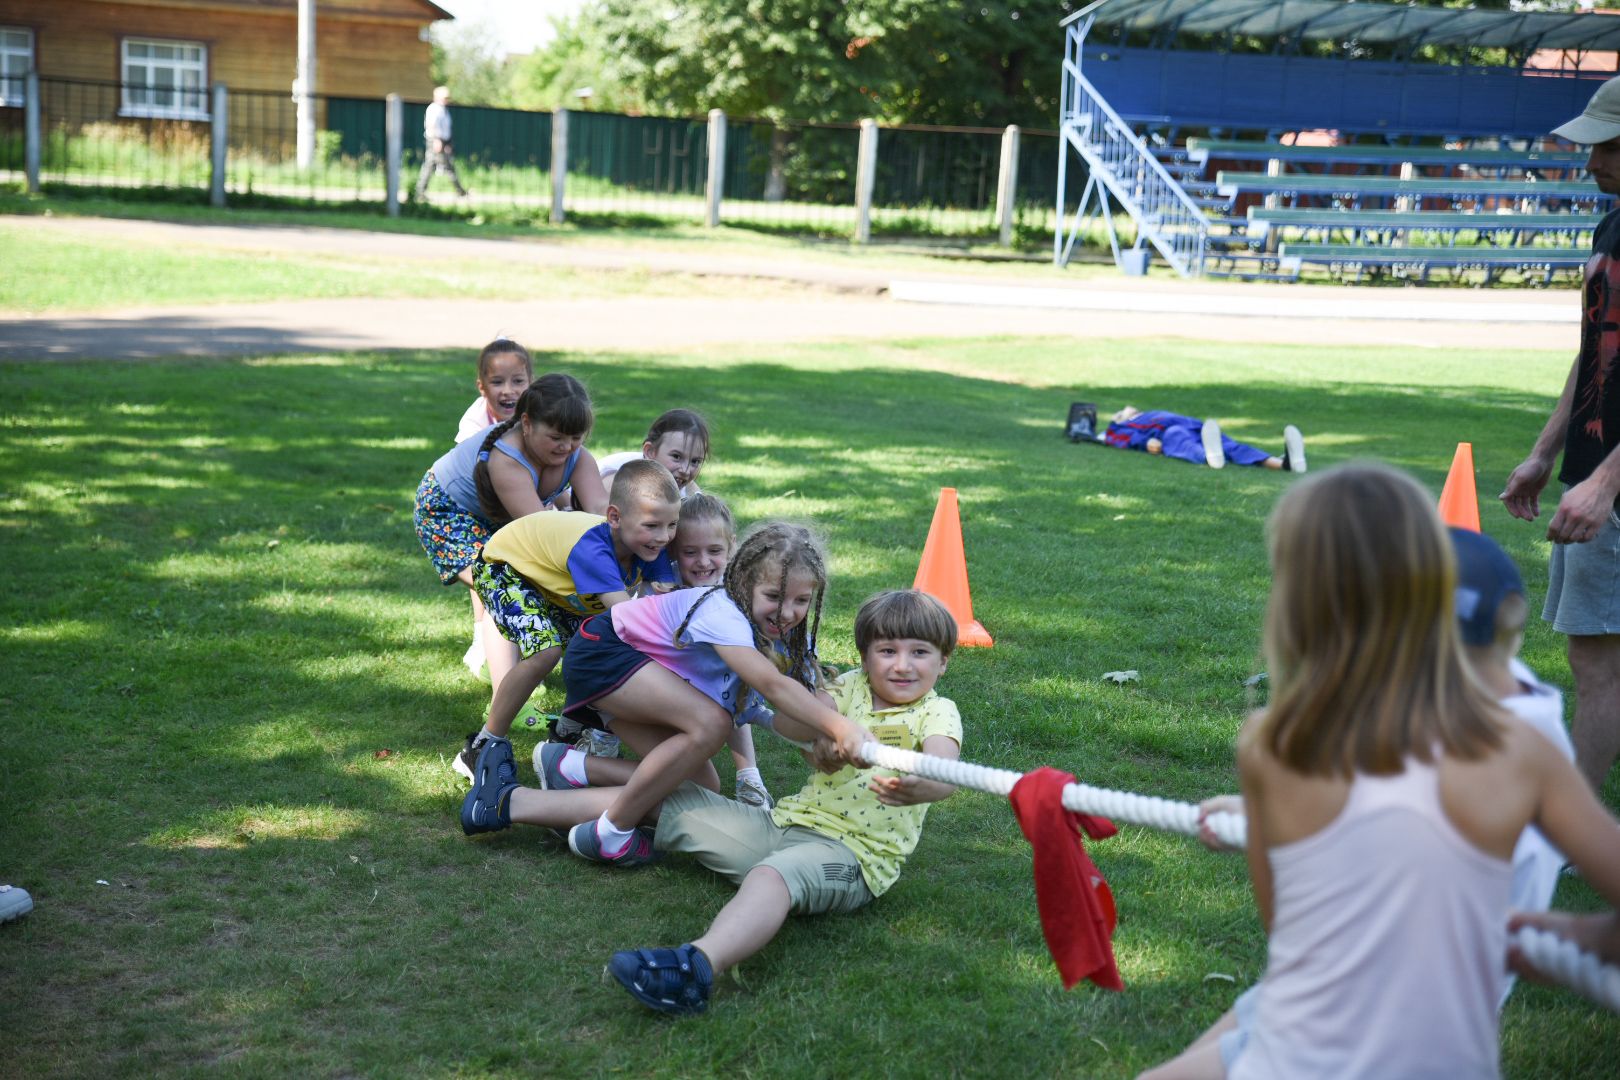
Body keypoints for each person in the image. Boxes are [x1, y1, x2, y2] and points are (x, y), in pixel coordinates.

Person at [1141, 463, 1620, 1080]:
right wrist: (1578, 936)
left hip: (1291, 1056)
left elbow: (1292, 933)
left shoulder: (1272, 743)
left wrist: (1260, 819)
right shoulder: (1518, 746)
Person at [464, 588, 958, 1013]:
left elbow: (945, 768)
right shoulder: (846, 687)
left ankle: (695, 967)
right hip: (783, 828)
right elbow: (804, 721)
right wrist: (820, 742)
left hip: (852, 858)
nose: (901, 665)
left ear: (943, 661)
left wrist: (924, 785)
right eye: (887, 651)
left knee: (774, 876)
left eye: (919, 653)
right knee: (669, 794)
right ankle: (508, 804)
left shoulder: (937, 713)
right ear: (865, 655)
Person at [460, 522, 871, 870]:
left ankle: (541, 784)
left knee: (699, 787)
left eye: (801, 601)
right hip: (604, 653)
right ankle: (610, 832)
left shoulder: (784, 637)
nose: (788, 612)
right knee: (711, 723)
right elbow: (772, 686)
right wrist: (839, 725)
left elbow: (779, 714)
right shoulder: (722, 611)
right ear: (745, 583)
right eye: (775, 597)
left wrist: (821, 740)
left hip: (639, 676)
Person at [1500, 73, 1620, 794]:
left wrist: (1605, 480)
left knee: (1597, 664)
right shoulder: (1613, 223)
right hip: (1593, 470)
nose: (1589, 161)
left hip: (1611, 483)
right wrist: (1548, 452)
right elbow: (1598, 348)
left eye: (1605, 145)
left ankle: (1569, 831)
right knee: (1599, 660)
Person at [415, 373, 607, 757]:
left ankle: (515, 683)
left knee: (519, 590)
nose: (567, 447)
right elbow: (542, 534)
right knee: (506, 587)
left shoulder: (576, 457)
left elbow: (601, 514)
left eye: (576, 438)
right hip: (449, 515)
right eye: (556, 437)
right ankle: (505, 702)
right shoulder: (506, 459)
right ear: (527, 423)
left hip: (510, 519)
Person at [457, 459, 680, 779]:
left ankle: (567, 731)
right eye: (652, 525)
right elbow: (627, 616)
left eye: (671, 525)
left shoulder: (649, 547)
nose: (663, 537)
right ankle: (482, 744)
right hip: (505, 567)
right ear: (615, 517)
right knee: (546, 650)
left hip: (552, 582)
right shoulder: (594, 549)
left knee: (596, 646)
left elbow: (664, 600)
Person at [671, 493, 773, 808]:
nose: (703, 562)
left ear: (731, 546)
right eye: (690, 552)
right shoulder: (665, 586)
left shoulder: (737, 588)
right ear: (674, 550)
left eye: (714, 551)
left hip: (716, 678)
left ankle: (749, 776)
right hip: (669, 679)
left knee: (733, 677)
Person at [453, 340, 535, 677]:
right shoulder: (474, 424)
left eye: (518, 381)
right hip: (477, 506)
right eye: (497, 382)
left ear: (531, 382)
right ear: (482, 386)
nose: (508, 391)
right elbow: (474, 473)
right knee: (486, 571)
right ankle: (481, 636)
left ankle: (517, 639)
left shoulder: (536, 414)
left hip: (518, 499)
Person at [1104, 407, 1305, 472]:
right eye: (1122, 410)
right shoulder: (1120, 426)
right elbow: (1115, 437)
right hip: (1168, 432)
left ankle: (1284, 464)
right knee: (1183, 442)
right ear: (1120, 417)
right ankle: (1209, 456)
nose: (1127, 407)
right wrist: (1143, 443)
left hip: (1197, 427)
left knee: (1233, 446)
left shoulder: (1149, 413)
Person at [597, 409, 709, 499]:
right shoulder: (617, 481)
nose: (685, 470)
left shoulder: (689, 493)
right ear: (650, 451)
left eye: (695, 461)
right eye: (676, 457)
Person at [414, 86, 468, 201]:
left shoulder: (443, 110)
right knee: (443, 166)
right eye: (445, 97)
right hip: (435, 141)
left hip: (442, 141)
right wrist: (437, 140)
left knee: (432, 166)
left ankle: (420, 192)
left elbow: (446, 129)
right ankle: (460, 191)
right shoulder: (434, 109)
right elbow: (432, 126)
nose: (447, 100)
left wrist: (447, 143)